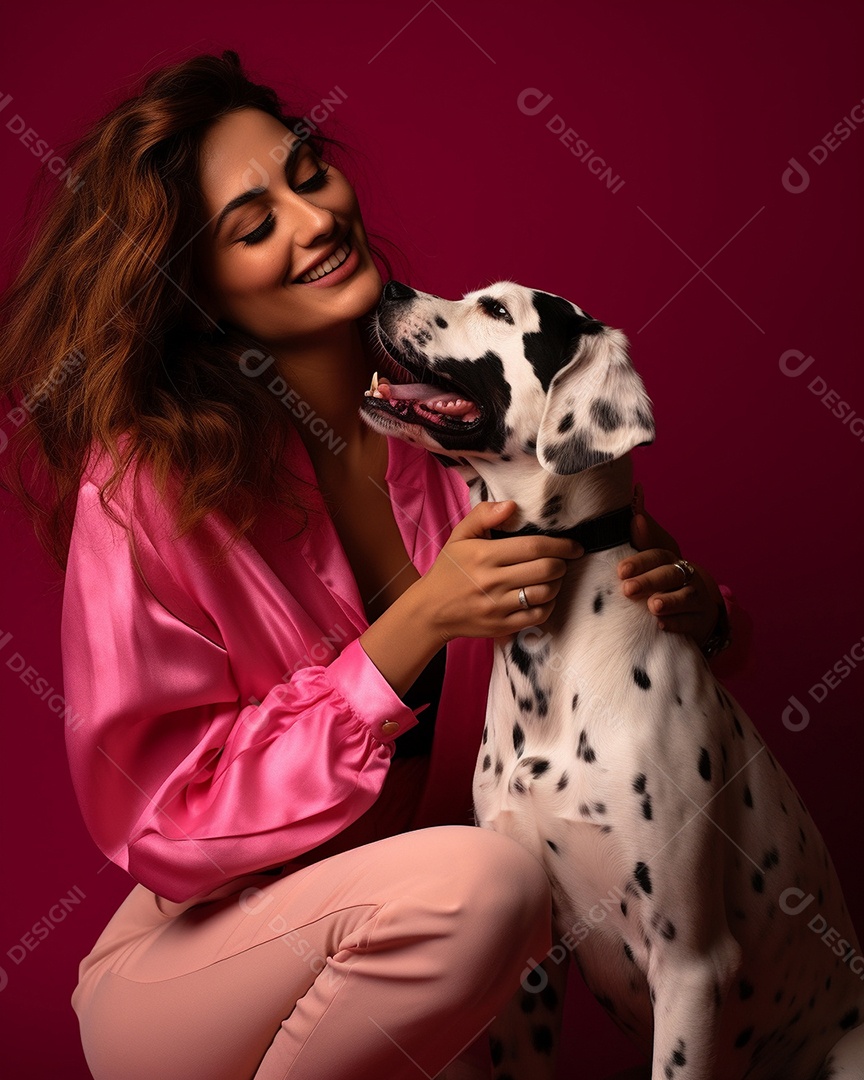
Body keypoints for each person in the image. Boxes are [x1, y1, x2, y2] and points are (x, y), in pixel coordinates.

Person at [0, 50, 744, 1080]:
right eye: (253, 227)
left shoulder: (476, 439)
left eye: (308, 174)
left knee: (486, 893)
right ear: (196, 290)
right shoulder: (146, 491)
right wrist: (410, 632)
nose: (313, 222)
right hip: (199, 974)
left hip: (421, 961)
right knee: (490, 886)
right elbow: (158, 817)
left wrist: (704, 616)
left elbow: (616, 679)